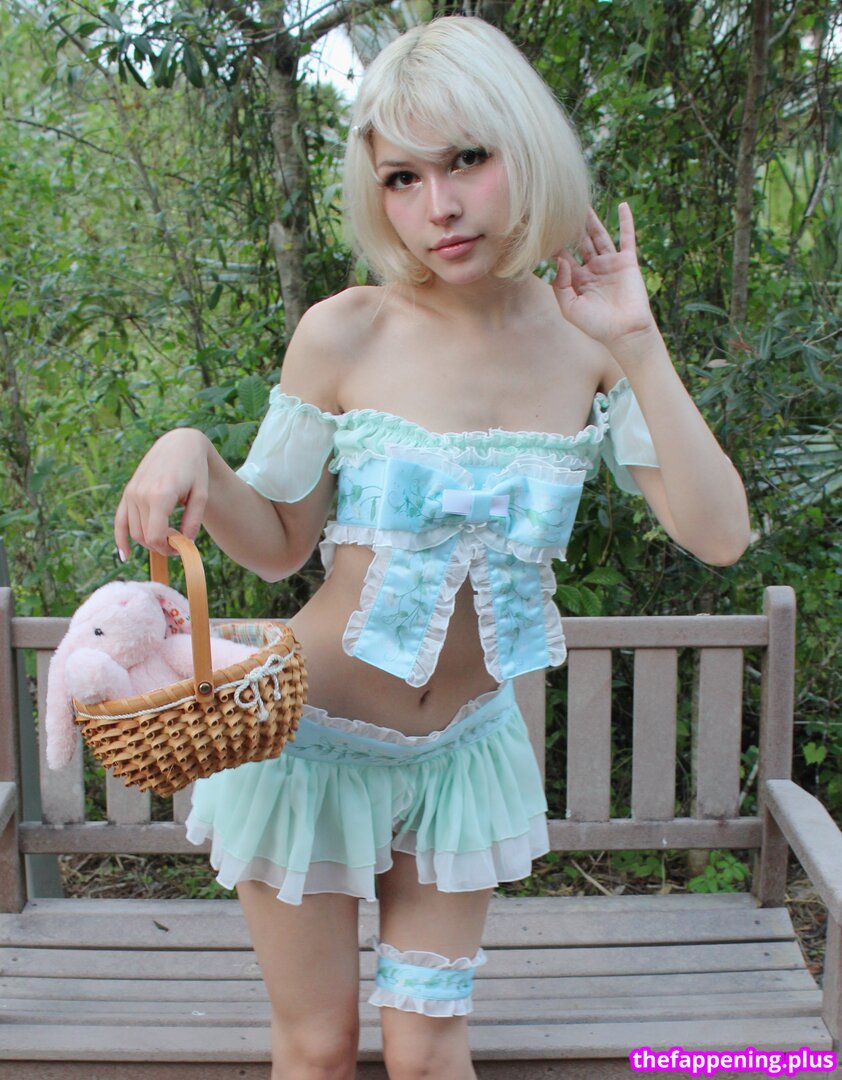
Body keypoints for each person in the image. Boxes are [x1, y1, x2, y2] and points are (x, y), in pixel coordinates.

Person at [114, 16, 750, 1080]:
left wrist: (638, 344)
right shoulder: (346, 331)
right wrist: (195, 455)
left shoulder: (587, 340)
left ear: (525, 151)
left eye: (466, 161)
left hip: (461, 758)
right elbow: (279, 546)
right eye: (402, 178)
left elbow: (718, 534)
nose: (438, 206)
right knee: (319, 1048)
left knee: (425, 1048)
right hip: (305, 746)